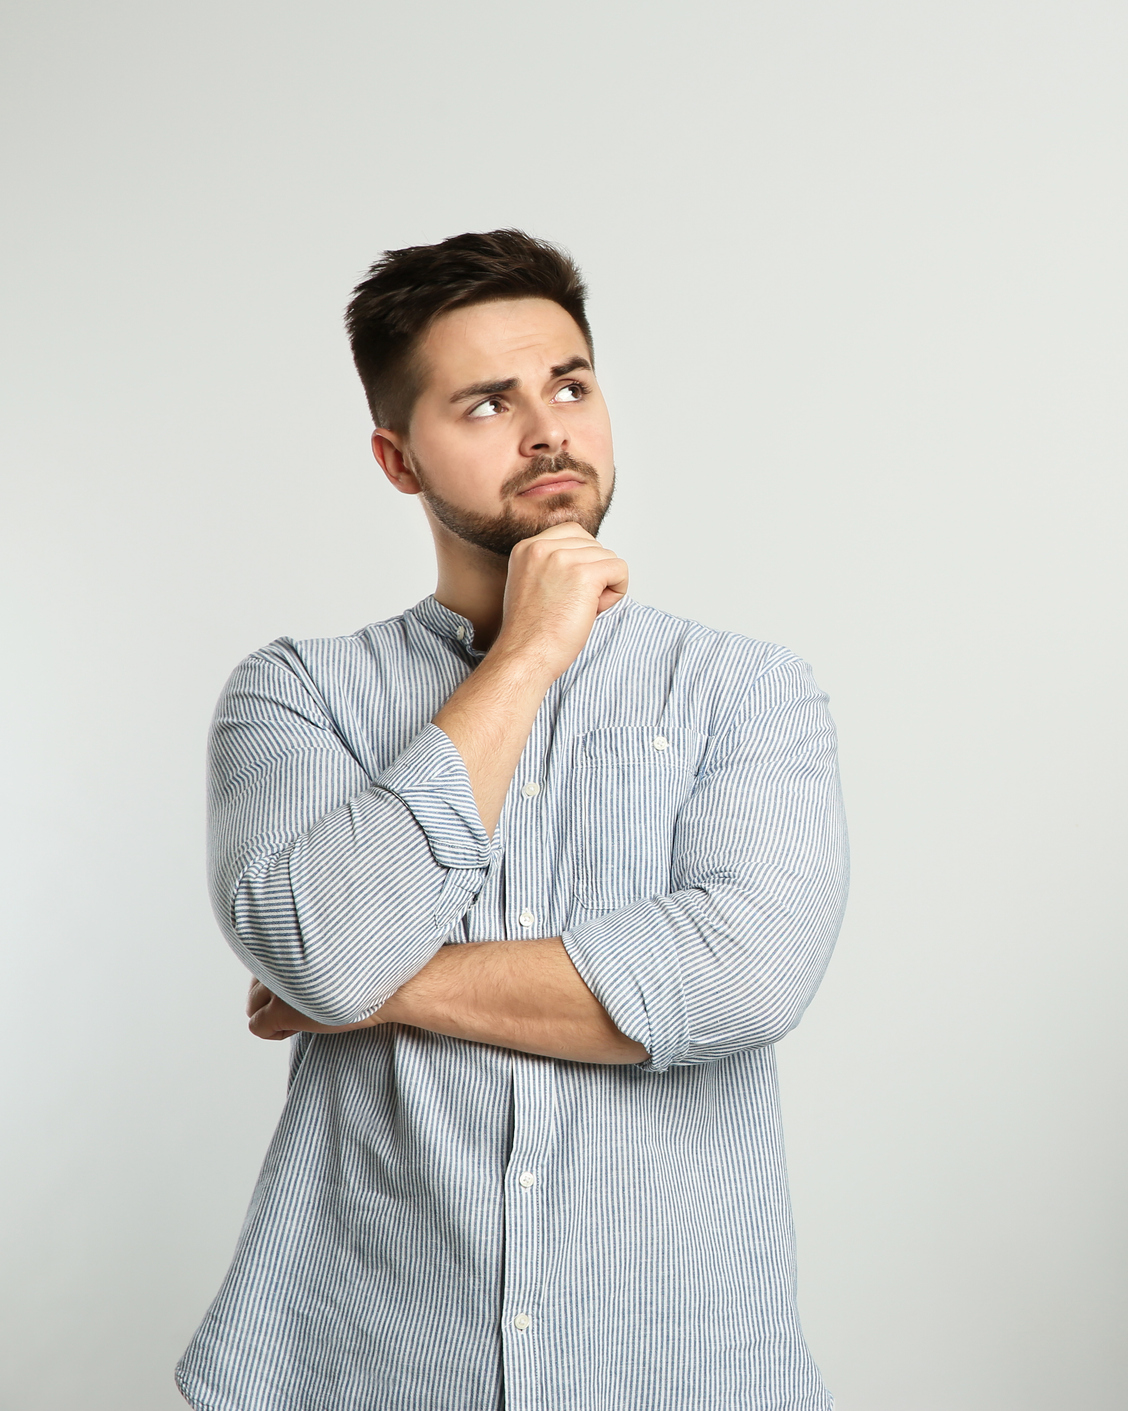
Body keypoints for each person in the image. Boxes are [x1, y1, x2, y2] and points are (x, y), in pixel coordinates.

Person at [177, 230, 849, 1410]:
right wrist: (532, 651)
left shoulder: (748, 690)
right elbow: (316, 944)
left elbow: (744, 974)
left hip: (678, 1369)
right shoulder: (297, 695)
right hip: (369, 1365)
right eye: (487, 403)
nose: (549, 429)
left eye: (570, 385)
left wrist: (374, 981)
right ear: (398, 459)